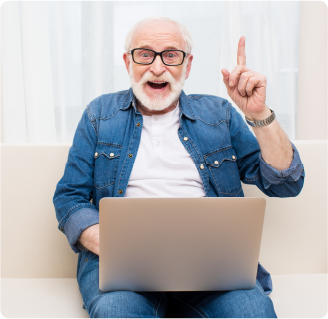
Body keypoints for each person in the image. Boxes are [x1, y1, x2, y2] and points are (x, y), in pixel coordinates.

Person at [53, 16, 304, 319]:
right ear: (127, 61)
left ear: (187, 65)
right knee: (116, 313)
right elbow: (69, 198)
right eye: (145, 54)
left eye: (171, 55)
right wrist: (116, 247)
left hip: (212, 264)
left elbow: (285, 183)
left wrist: (259, 114)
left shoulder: (220, 114)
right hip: (122, 266)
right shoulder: (99, 114)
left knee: (254, 313)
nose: (157, 68)